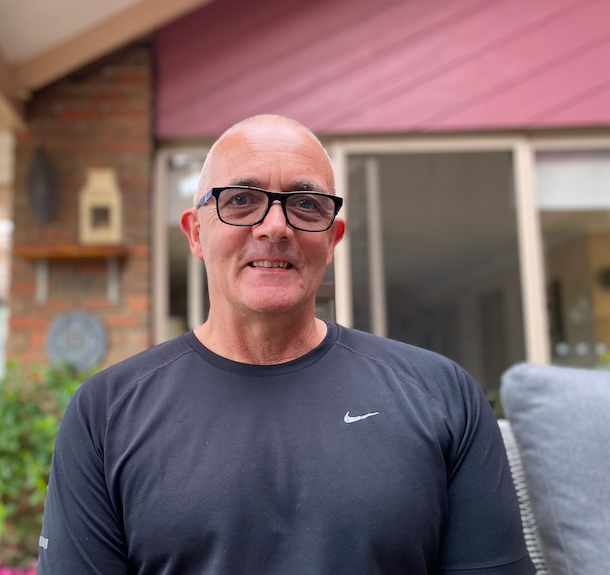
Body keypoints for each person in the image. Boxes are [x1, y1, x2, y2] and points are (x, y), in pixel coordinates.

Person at [37, 114, 534, 574]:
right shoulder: (104, 414)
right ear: (195, 233)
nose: (275, 226)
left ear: (333, 238)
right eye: (239, 200)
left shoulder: (443, 397)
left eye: (305, 204)